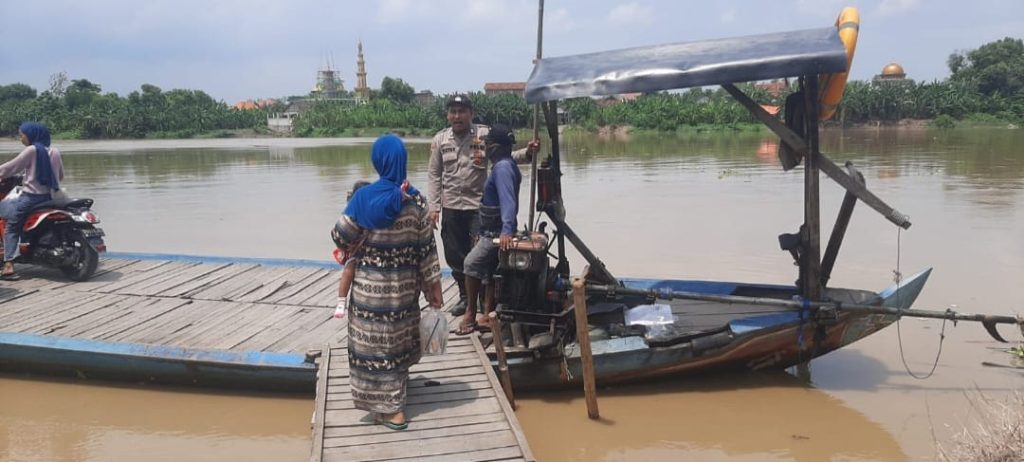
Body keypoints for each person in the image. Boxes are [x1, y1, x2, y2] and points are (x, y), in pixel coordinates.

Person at [330, 134, 443, 431]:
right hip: (404, 295)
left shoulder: (363, 198)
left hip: (369, 296)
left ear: (378, 162)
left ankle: (392, 410)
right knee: (396, 345)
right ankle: (395, 394)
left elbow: (340, 236)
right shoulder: (416, 200)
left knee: (373, 350)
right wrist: (435, 292)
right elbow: (427, 252)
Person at [427, 95, 539, 315]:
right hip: (451, 205)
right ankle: (463, 296)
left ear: (471, 113)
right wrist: (433, 207)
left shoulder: (484, 135)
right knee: (454, 254)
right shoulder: (440, 140)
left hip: (478, 207)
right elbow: (434, 174)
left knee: (480, 256)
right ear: (448, 115)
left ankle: (480, 301)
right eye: (453, 112)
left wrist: (527, 153)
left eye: (461, 111)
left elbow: (504, 157)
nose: (457, 116)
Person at [455, 124, 521, 335]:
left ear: (496, 147)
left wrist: (507, 231)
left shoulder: (502, 169)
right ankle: (487, 313)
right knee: (489, 272)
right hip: (489, 230)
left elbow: (508, 201)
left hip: (496, 232)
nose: (485, 149)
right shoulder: (506, 165)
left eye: (488, 145)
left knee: (470, 264)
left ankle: (470, 314)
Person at [0, 122, 64, 280]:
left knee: (12, 227)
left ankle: (8, 265)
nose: (20, 138)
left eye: (22, 135)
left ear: (32, 135)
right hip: (50, 198)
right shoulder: (55, 152)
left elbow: (10, 168)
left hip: (30, 199)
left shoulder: (31, 150)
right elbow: (60, 176)